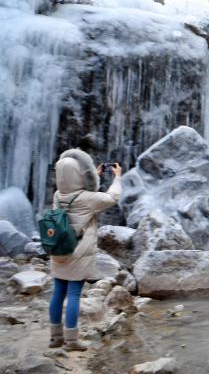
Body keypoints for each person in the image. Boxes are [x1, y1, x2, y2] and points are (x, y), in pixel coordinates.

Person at [47, 149, 122, 351]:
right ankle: (71, 341)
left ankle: (55, 338)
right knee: (73, 295)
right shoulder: (88, 198)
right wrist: (117, 178)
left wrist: (93, 176)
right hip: (78, 252)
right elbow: (111, 197)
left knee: (57, 293)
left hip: (59, 249)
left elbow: (73, 190)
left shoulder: (58, 195)